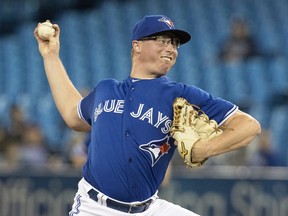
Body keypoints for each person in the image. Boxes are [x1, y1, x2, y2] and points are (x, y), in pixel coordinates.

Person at [34, 15, 261, 216]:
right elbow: (73, 116)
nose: (171, 48)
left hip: (149, 208)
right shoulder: (106, 89)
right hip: (94, 208)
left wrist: (205, 149)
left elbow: (248, 126)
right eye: (162, 40)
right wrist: (51, 57)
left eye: (174, 43)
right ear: (137, 45)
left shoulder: (180, 95)